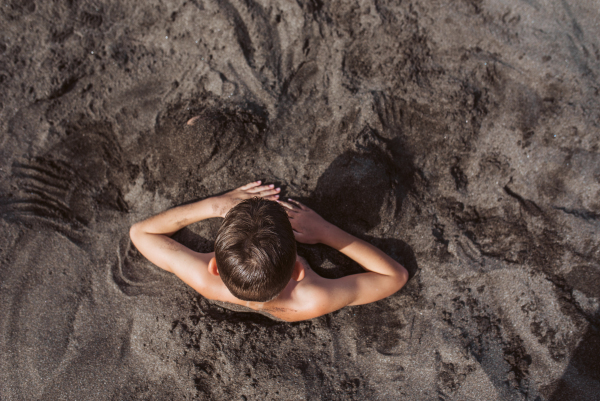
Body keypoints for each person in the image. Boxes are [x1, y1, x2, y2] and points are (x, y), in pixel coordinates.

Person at [129, 181, 409, 322]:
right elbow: (395, 276)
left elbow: (141, 233)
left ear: (215, 265)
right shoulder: (313, 298)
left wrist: (214, 206)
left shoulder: (207, 280)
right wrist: (325, 232)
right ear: (299, 270)